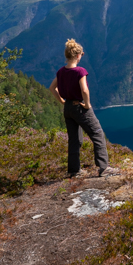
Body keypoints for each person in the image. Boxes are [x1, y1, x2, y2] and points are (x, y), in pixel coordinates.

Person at [49, 39, 117, 177]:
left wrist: (62, 101)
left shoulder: (61, 71)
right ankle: (103, 168)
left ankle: (74, 171)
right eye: (81, 54)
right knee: (97, 133)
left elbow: (52, 88)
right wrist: (87, 104)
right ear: (77, 55)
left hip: (68, 108)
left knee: (74, 139)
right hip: (79, 107)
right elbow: (84, 90)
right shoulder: (80, 71)